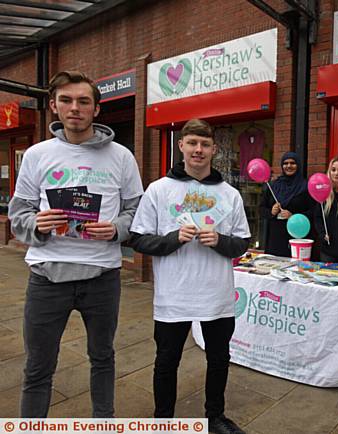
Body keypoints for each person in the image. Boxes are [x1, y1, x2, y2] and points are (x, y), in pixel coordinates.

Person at [8, 71, 144, 417]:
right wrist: (35, 224)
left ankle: (103, 423)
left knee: (103, 359)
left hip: (102, 277)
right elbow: (18, 212)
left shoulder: (122, 157)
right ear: (54, 106)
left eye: (84, 101)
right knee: (38, 367)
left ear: (96, 109)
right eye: (66, 100)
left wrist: (115, 229)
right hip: (46, 278)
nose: (75, 108)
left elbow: (136, 210)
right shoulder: (37, 155)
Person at [129, 119, 250, 434]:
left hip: (217, 295)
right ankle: (163, 420)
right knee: (167, 361)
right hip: (174, 296)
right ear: (180, 146)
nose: (199, 150)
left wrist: (220, 241)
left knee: (219, 359)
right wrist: (173, 239)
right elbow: (139, 239)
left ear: (214, 149)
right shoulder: (159, 190)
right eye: (193, 143)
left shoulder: (230, 194)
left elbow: (242, 242)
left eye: (205, 144)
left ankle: (215, 418)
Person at [260, 151, 314, 256]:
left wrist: (294, 217)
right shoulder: (273, 186)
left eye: (293, 163)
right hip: (275, 239)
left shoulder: (306, 187)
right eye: (285, 163)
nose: (289, 166)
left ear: (298, 165)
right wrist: (271, 212)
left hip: (296, 239)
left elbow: (313, 212)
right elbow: (261, 209)